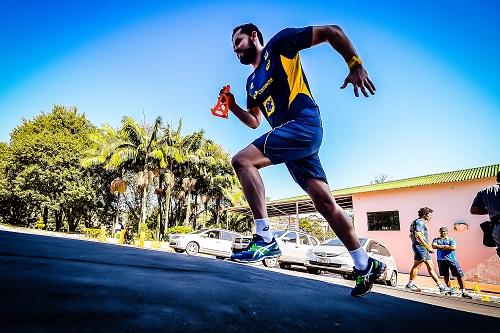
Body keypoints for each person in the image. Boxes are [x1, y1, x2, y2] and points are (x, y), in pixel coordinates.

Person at [221, 23, 384, 297]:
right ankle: (364, 263)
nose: (234, 48)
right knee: (325, 204)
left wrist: (354, 64)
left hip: (304, 124)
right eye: (232, 46)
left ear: (253, 36)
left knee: (242, 161)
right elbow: (253, 121)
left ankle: (265, 237)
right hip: (289, 138)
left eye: (237, 41)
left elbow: (333, 31)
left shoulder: (280, 44)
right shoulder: (251, 83)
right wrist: (233, 104)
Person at [406, 207, 451, 294]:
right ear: (425, 214)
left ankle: (441, 286)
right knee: (417, 266)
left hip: (421, 247)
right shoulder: (419, 222)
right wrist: (426, 246)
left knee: (431, 266)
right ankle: (410, 284)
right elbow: (418, 234)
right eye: (429, 215)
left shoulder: (415, 222)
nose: (430, 217)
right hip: (421, 247)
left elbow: (410, 235)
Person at [432, 227, 472, 299]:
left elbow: (453, 247)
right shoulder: (436, 239)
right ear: (439, 232)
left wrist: (440, 247)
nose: (442, 233)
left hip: (452, 260)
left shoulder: (451, 239)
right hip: (441, 260)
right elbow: (434, 246)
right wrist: (445, 246)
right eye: (441, 231)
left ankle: (463, 291)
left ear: (447, 232)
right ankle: (449, 289)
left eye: (444, 231)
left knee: (459, 275)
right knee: (445, 275)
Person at [470, 171, 500, 257]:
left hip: (497, 227)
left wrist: (490, 209)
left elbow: (473, 210)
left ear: (497, 179)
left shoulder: (485, 191)